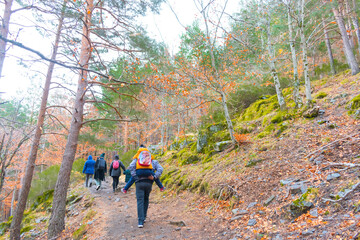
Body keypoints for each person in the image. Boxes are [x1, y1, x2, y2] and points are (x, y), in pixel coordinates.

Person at [128, 146, 164, 228]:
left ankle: (140, 221)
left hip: (139, 182)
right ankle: (144, 217)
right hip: (149, 183)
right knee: (146, 199)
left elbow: (131, 166)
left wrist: (135, 176)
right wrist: (154, 177)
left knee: (140, 200)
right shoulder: (152, 160)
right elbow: (160, 169)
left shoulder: (136, 160)